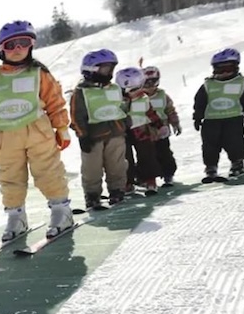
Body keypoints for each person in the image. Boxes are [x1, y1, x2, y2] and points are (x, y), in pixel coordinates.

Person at [0, 20, 73, 241]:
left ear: (31, 45)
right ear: (1, 49)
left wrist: (61, 127)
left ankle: (61, 211)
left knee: (48, 171)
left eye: (24, 42)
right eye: (11, 45)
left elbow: (55, 101)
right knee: (9, 176)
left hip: (38, 131)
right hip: (7, 137)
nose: (18, 48)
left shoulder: (39, 74)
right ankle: (16, 216)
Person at [69, 49, 129, 209]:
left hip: (116, 133)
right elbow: (76, 115)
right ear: (91, 70)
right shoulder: (81, 92)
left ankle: (117, 190)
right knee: (92, 168)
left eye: (111, 68)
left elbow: (121, 107)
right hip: (93, 137)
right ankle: (92, 195)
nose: (109, 72)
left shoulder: (114, 88)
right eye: (105, 69)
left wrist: (126, 124)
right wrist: (82, 135)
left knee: (117, 165)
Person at [193, 48, 244, 179]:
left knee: (235, 143)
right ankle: (211, 167)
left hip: (233, 119)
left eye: (228, 69)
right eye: (220, 70)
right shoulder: (209, 84)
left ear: (236, 67)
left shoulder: (241, 83)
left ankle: (237, 164)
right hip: (212, 120)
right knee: (210, 146)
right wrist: (197, 117)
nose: (224, 73)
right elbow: (200, 101)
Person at [116, 67, 164, 195]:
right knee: (126, 158)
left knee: (147, 155)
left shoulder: (144, 98)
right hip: (124, 133)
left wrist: (159, 125)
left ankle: (150, 180)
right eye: (133, 90)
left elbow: (151, 112)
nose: (136, 93)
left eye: (138, 88)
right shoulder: (118, 101)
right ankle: (128, 182)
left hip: (142, 131)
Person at [141, 66, 182, 186]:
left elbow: (170, 110)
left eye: (153, 82)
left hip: (161, 131)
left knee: (164, 153)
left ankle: (168, 174)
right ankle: (145, 177)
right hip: (145, 132)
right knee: (147, 155)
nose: (150, 86)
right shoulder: (138, 97)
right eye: (146, 83)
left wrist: (175, 123)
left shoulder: (162, 95)